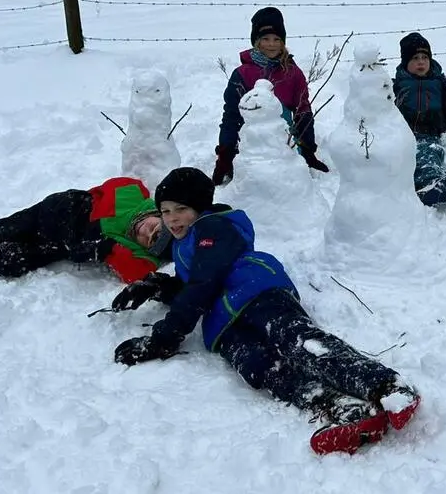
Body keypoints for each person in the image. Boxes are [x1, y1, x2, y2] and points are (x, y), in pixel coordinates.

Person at [109, 167, 420, 455]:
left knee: (296, 342)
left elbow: (204, 282)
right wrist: (155, 286)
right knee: (263, 369)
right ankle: (343, 409)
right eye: (165, 211)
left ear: (199, 208)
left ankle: (386, 386)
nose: (172, 219)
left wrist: (162, 338)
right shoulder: (184, 245)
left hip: (257, 293)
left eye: (181, 209)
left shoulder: (214, 227)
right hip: (225, 324)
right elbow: (192, 284)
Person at [0, 176, 171, 282]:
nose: (145, 233)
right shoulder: (136, 194)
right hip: (60, 210)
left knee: (8, 264)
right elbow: (110, 188)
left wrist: (109, 246)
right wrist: (102, 236)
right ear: (159, 215)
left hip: (62, 244)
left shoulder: (140, 253)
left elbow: (137, 271)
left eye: (149, 240)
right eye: (154, 228)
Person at [213, 7, 329, 186]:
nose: (271, 44)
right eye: (265, 39)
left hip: (283, 145)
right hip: (248, 146)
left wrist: (307, 149)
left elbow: (303, 112)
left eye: (276, 39)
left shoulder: (292, 73)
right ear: (256, 42)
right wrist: (225, 155)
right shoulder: (242, 74)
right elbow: (231, 117)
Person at [392, 32, 446, 205]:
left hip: (429, 131)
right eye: (415, 58)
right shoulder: (398, 84)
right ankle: (419, 182)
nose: (421, 62)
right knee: (403, 154)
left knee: (429, 151)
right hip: (403, 130)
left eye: (425, 57)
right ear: (405, 62)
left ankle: (430, 180)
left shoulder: (438, 82)